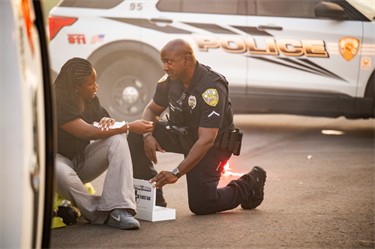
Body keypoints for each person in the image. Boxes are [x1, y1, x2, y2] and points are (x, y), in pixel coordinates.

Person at [127, 39, 267, 215]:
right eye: (163, 62)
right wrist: (148, 136)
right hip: (183, 135)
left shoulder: (212, 88)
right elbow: (151, 110)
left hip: (212, 146)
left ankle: (249, 184)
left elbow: (206, 140)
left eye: (169, 62)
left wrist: (176, 173)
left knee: (201, 204)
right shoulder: (169, 81)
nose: (164, 67)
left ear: (186, 60)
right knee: (136, 134)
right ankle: (153, 198)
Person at [54, 57, 153, 229]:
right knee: (58, 169)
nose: (96, 86)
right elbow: (85, 131)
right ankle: (100, 212)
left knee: (116, 139)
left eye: (95, 81)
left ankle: (119, 208)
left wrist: (107, 120)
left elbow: (104, 126)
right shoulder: (57, 103)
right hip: (55, 164)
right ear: (76, 88)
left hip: (80, 161)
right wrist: (129, 126)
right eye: (91, 83)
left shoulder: (90, 99)